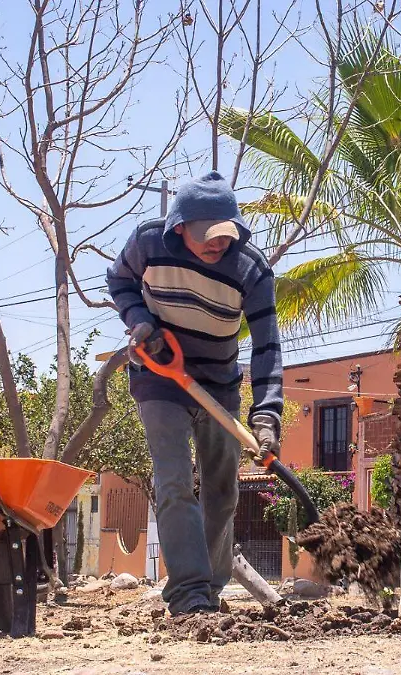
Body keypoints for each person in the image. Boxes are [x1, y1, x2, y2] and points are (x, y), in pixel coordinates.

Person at [106, 170, 283, 616]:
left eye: (226, 234)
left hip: (220, 384)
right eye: (207, 235)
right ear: (178, 226)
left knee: (223, 491)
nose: (218, 244)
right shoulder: (148, 243)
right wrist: (139, 320)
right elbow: (120, 281)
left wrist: (266, 416)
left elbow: (267, 347)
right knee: (174, 480)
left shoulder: (251, 269)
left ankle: (210, 585)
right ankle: (188, 593)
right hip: (159, 375)